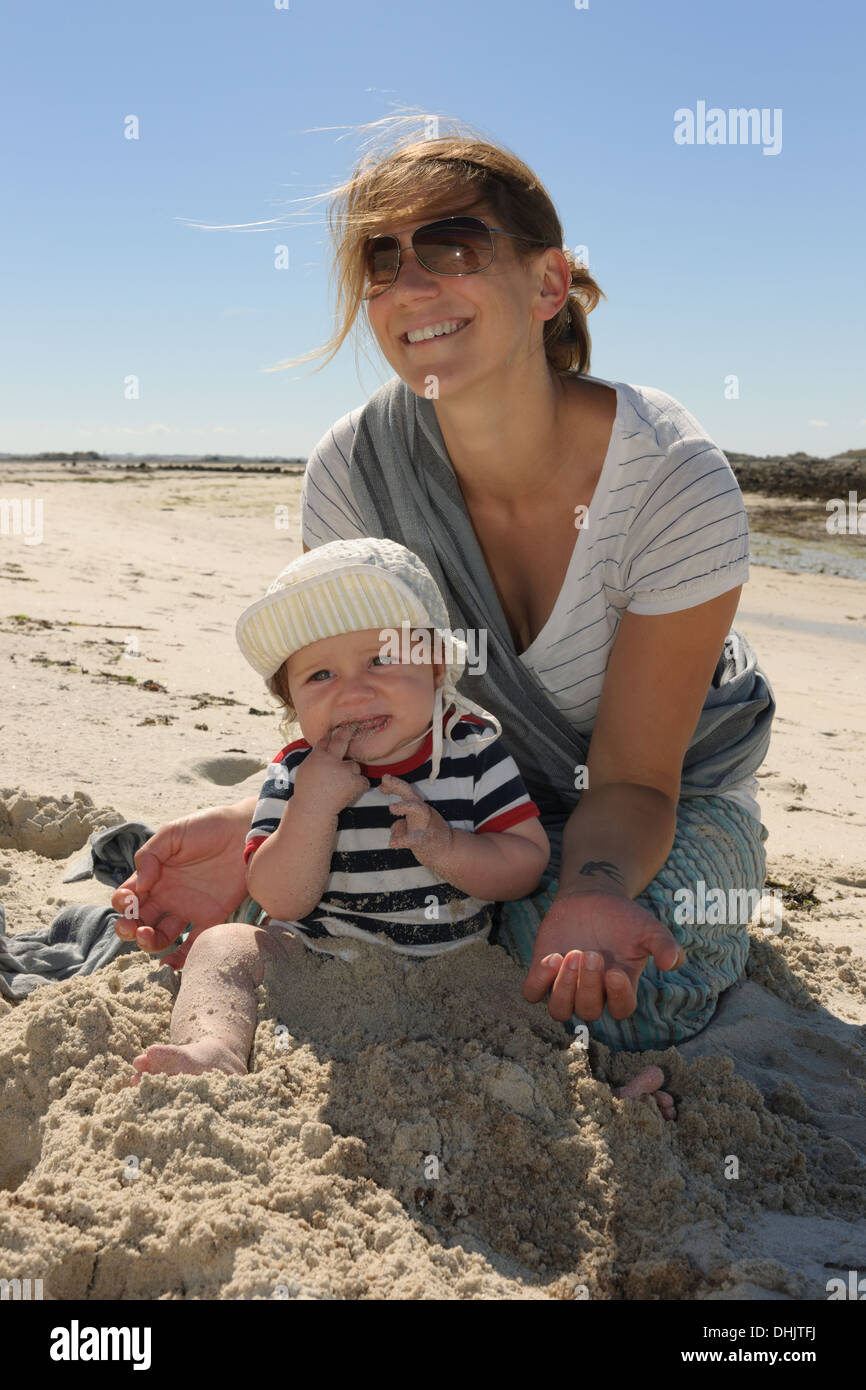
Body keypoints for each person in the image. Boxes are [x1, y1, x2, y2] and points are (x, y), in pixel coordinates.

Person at [114, 120, 773, 1115]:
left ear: (547, 284)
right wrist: (255, 819)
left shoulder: (670, 479)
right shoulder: (356, 472)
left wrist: (590, 884)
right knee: (348, 924)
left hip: (654, 802)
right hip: (442, 789)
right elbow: (360, 696)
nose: (411, 286)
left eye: (453, 247)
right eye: (382, 263)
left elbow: (636, 776)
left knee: (617, 989)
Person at [130, 537, 550, 1084]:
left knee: (525, 995)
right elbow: (280, 897)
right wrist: (311, 807)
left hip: (453, 972)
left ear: (437, 668)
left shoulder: (471, 751)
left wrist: (449, 848)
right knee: (223, 947)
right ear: (292, 703)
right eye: (320, 676)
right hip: (314, 963)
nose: (353, 692)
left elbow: (526, 863)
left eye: (381, 660)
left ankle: (579, 1080)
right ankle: (217, 1046)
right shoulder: (294, 769)